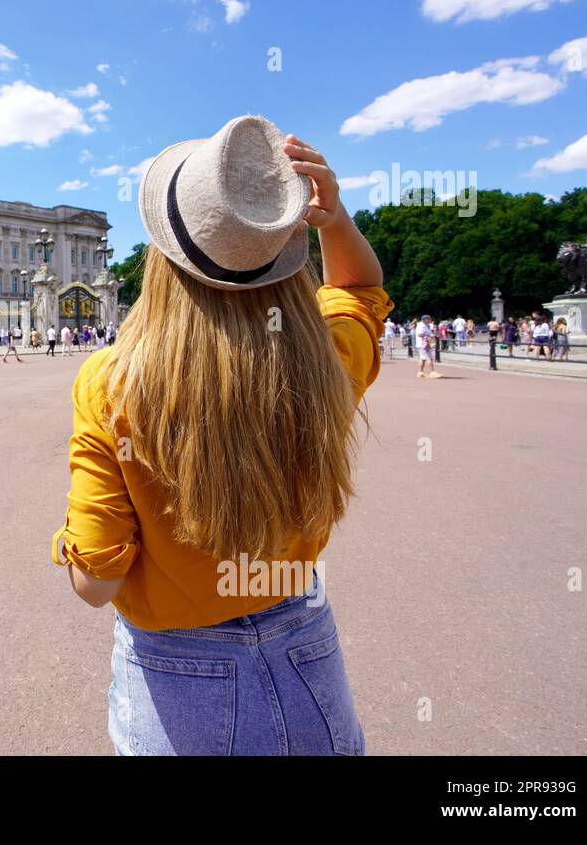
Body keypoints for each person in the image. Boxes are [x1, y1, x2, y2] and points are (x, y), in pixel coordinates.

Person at [53, 119, 389, 755]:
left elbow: (95, 582)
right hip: (306, 645)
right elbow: (360, 291)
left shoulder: (111, 384)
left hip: (177, 673)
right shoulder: (325, 360)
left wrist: (72, 538)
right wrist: (335, 218)